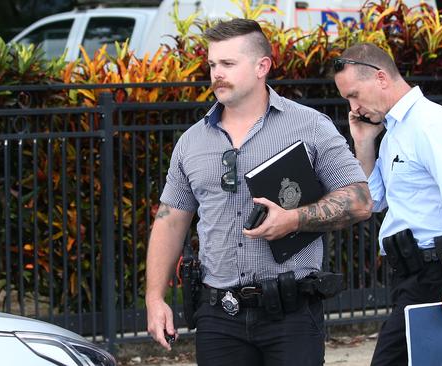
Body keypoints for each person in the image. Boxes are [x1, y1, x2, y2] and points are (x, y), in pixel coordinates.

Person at [145, 19, 372, 366]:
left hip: (291, 315)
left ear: (262, 66)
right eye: (212, 65)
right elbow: (170, 221)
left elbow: (360, 200)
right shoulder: (192, 141)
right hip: (218, 318)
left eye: (228, 64)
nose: (216, 73)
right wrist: (154, 297)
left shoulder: (310, 126)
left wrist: (294, 219)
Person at [333, 43, 442, 366]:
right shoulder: (393, 133)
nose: (354, 106)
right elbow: (372, 201)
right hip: (410, 276)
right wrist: (363, 142)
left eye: (355, 94)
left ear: (381, 78)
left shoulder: (432, 124)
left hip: (437, 273)